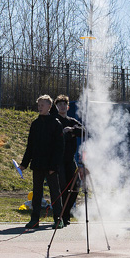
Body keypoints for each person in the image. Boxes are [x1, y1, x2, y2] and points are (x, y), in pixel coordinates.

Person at [20, 94, 65, 230]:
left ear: (49, 107)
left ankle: (58, 218)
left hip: (51, 165)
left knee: (54, 192)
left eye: (42, 105)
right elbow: (30, 146)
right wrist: (24, 163)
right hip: (38, 164)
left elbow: (59, 147)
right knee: (37, 192)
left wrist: (54, 166)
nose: (40, 107)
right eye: (38, 105)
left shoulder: (56, 123)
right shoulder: (35, 124)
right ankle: (34, 219)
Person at [54, 95, 84, 223]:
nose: (62, 106)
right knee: (62, 187)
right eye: (59, 104)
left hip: (70, 159)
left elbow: (84, 131)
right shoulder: (54, 121)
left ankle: (66, 213)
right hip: (58, 159)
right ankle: (61, 216)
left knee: (75, 185)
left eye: (64, 104)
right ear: (56, 107)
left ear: (68, 107)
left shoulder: (72, 121)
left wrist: (72, 130)